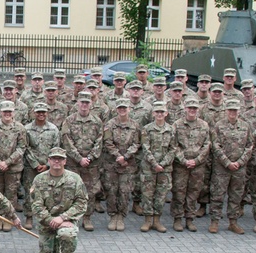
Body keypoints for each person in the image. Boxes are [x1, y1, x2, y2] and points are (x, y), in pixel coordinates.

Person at [29, 147, 88, 253]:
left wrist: (63, 218)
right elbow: (36, 206)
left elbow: (81, 203)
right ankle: (54, 246)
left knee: (66, 234)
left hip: (67, 221)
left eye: (60, 159)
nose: (57, 161)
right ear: (49, 160)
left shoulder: (75, 179)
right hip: (47, 223)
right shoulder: (39, 179)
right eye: (54, 159)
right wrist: (51, 220)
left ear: (65, 161)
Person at [208, 100, 253, 234]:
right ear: (226, 111)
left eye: (235, 110)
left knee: (236, 195)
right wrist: (227, 162)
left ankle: (233, 222)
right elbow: (215, 145)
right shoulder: (219, 126)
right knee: (217, 194)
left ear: (239, 111)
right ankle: (214, 221)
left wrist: (240, 162)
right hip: (222, 167)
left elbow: (249, 146)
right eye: (230, 110)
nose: (232, 113)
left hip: (239, 167)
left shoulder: (245, 126)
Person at [60, 91, 102, 232]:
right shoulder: (69, 120)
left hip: (91, 164)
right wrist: (79, 158)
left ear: (91, 104)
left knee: (90, 191)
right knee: (71, 190)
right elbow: (66, 140)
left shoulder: (97, 121)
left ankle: (87, 217)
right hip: (73, 162)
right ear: (77, 103)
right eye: (82, 102)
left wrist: (89, 158)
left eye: (87, 102)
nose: (84, 105)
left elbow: (100, 141)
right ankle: (71, 217)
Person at [0, 101, 27, 231]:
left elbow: (22, 147)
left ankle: (9, 217)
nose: (7, 114)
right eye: (5, 112)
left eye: (10, 111)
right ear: (0, 112)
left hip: (13, 168)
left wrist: (8, 162)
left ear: (14, 112)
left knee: (11, 193)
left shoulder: (19, 127)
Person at [171, 97, 210, 232]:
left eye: (194, 108)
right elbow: (173, 145)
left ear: (198, 110)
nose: (192, 110)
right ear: (185, 108)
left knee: (194, 192)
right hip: (181, 165)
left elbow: (207, 145)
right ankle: (177, 218)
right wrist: (183, 160)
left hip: (198, 165)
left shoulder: (204, 125)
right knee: (179, 192)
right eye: (190, 108)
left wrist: (197, 160)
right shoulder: (177, 124)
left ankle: (189, 219)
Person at [102, 98, 140, 231]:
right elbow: (107, 142)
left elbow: (137, 143)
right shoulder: (110, 124)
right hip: (112, 163)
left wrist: (126, 156)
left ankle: (121, 216)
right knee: (111, 191)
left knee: (124, 191)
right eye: (120, 108)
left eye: (125, 108)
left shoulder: (135, 125)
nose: (122, 110)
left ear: (129, 109)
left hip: (128, 165)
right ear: (116, 109)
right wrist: (118, 156)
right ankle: (112, 216)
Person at [22, 103, 61, 228]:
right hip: (31, 166)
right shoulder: (26, 129)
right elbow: (25, 147)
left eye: (43, 112)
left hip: (49, 167)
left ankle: (48, 218)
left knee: (49, 192)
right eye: (38, 112)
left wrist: (47, 165)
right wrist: (35, 164)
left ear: (47, 113)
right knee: (30, 192)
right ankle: (29, 216)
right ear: (34, 113)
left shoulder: (53, 129)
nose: (41, 114)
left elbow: (56, 149)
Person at [139, 101, 176, 233]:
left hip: (165, 169)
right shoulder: (147, 129)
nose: (159, 114)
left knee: (161, 194)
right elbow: (145, 147)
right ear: (153, 113)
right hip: (149, 167)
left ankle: (157, 220)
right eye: (157, 112)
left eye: (162, 112)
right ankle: (148, 220)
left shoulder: (171, 129)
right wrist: (155, 164)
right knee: (147, 194)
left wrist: (163, 164)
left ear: (166, 113)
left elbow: (173, 149)